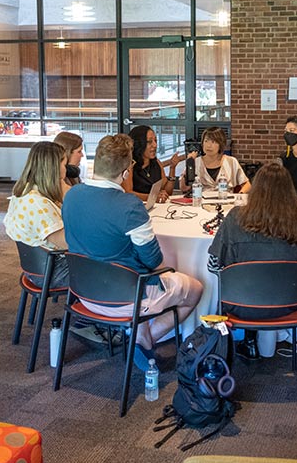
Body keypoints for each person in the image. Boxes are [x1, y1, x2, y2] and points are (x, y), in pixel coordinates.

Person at [62, 133, 203, 371]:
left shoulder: (71, 195)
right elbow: (154, 261)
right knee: (195, 289)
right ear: (126, 171)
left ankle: (140, 334)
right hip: (125, 299)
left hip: (82, 293)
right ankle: (145, 338)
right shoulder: (130, 207)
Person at [207, 161, 297, 358]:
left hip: (240, 304)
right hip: (291, 304)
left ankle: (243, 343)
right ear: (289, 191)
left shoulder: (235, 218)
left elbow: (213, 266)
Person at [4, 141, 69, 288]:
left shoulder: (23, 192)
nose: (66, 169)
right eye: (64, 164)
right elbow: (66, 242)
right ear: (55, 167)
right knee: (116, 265)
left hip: (37, 268)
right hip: (53, 271)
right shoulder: (39, 204)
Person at [180, 126, 250, 194]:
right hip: (201, 201)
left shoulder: (231, 161)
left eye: (213, 142)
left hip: (226, 200)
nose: (208, 145)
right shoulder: (196, 162)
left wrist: (240, 194)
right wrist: (189, 164)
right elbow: (184, 188)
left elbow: (247, 184)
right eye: (206, 141)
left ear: (221, 144)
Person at [128, 125, 186, 204]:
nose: (155, 145)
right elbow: (128, 193)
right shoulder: (129, 165)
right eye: (149, 142)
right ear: (138, 144)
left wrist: (172, 168)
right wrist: (152, 197)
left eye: (156, 141)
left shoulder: (156, 163)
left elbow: (168, 192)